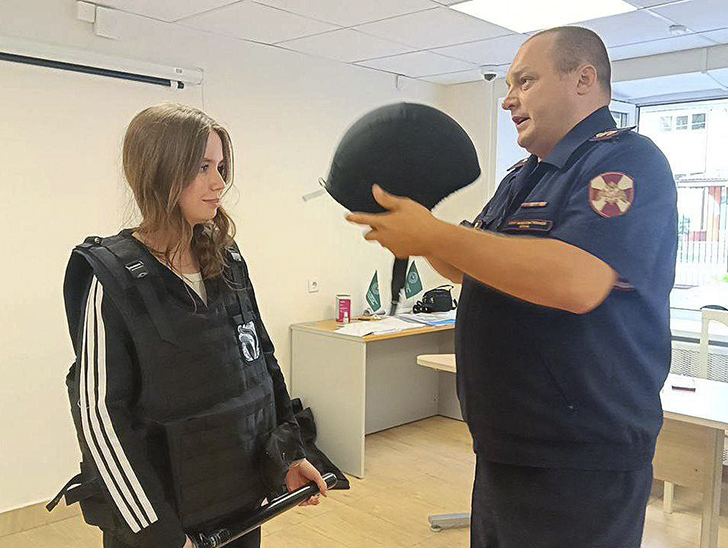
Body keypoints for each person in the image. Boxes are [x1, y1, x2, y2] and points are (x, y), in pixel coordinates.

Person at [347, 26, 677, 548]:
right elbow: (469, 266)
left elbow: (578, 280)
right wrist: (417, 227)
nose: (508, 100)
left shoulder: (626, 161)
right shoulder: (524, 176)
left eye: (525, 81)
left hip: (580, 456)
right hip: (508, 443)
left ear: (583, 79)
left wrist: (433, 234)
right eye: (508, 86)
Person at [56, 103, 327, 548]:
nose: (219, 182)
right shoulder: (111, 279)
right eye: (202, 167)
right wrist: (161, 534)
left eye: (220, 167)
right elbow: (100, 417)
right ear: (160, 171)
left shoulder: (227, 260)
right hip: (167, 523)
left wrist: (289, 457)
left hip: (240, 507)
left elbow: (261, 367)